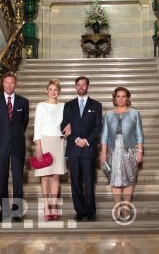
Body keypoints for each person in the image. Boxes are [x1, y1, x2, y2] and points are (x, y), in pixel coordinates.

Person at [0, 71, 29, 223]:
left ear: (15, 84)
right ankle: (4, 211)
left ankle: (17, 212)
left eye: (12, 83)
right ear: (3, 84)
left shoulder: (23, 102)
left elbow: (23, 124)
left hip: (18, 145)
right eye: (7, 82)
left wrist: (14, 135)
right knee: (2, 178)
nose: (9, 85)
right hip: (0, 146)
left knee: (18, 179)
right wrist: (2, 136)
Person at [61, 76, 102, 222]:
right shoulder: (68, 105)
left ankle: (91, 212)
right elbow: (64, 125)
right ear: (75, 87)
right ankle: (80, 211)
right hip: (74, 149)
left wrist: (87, 141)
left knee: (89, 182)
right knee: (75, 183)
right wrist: (77, 139)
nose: (81, 87)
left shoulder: (96, 105)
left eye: (83, 85)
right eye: (79, 85)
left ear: (87, 86)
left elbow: (98, 127)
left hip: (88, 150)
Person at [100, 86, 144, 220]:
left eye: (123, 96)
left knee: (129, 179)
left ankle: (125, 208)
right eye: (118, 96)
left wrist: (140, 151)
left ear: (127, 98)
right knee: (115, 180)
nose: (121, 99)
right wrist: (103, 153)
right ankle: (116, 207)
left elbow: (139, 134)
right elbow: (104, 136)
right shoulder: (108, 114)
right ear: (114, 98)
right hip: (113, 150)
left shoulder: (134, 113)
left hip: (130, 149)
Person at [33, 79, 67, 221]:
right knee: (45, 176)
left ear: (59, 92)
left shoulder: (64, 106)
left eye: (56, 89)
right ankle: (46, 206)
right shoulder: (41, 106)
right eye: (51, 89)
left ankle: (54, 206)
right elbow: (37, 126)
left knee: (56, 175)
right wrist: (38, 145)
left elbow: (66, 124)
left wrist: (67, 133)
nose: (53, 92)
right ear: (47, 90)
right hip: (45, 141)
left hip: (58, 141)